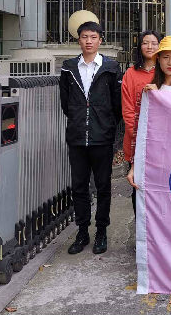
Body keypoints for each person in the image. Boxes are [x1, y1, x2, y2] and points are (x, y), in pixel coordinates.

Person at [59, 21, 121, 255]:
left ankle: (101, 231)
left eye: (93, 37)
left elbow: (117, 104)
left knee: (103, 186)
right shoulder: (68, 68)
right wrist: (79, 118)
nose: (88, 41)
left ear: (100, 40)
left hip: (102, 137)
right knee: (79, 187)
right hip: (77, 137)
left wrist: (105, 125)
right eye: (84, 37)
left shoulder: (111, 67)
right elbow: (66, 103)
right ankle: (82, 231)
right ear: (79, 40)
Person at [126, 36, 171, 193]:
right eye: (166, 57)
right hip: (156, 161)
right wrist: (134, 165)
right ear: (158, 59)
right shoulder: (149, 92)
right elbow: (139, 131)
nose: (170, 62)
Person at [121, 30, 162, 166]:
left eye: (154, 43)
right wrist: (138, 134)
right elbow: (127, 109)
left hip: (160, 138)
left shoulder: (166, 72)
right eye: (145, 43)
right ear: (139, 47)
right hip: (135, 137)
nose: (150, 47)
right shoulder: (130, 73)